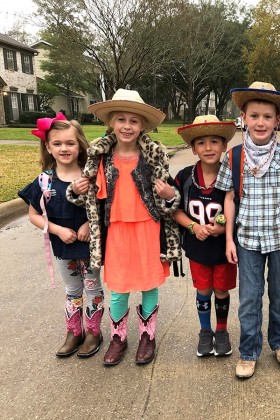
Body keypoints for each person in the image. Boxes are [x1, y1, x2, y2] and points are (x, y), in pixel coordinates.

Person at [68, 89, 181, 366]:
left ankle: (147, 335)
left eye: (133, 120)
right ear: (112, 124)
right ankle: (118, 336)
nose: (127, 126)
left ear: (142, 125)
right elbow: (89, 198)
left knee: (148, 282)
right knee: (118, 286)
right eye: (121, 119)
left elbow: (171, 194)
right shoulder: (100, 157)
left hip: (148, 228)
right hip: (116, 229)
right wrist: (76, 190)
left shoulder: (153, 156)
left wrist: (169, 196)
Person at [215, 81, 280, 379]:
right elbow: (228, 197)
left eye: (267, 116)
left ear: (278, 119)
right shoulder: (234, 156)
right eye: (254, 115)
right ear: (243, 117)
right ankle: (249, 351)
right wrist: (228, 238)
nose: (261, 122)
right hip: (247, 239)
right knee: (249, 298)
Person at [18, 113, 104, 358]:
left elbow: (103, 206)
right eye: (57, 144)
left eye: (70, 143)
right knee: (72, 289)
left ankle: (94, 332)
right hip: (63, 246)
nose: (64, 148)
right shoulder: (45, 180)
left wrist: (89, 223)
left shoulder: (91, 176)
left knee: (92, 286)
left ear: (80, 146)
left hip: (89, 247)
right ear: (48, 146)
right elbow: (34, 215)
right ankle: (74, 331)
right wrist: (56, 229)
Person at [157, 115, 237, 357]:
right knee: (203, 291)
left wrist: (224, 229)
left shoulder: (231, 175)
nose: (208, 147)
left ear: (225, 146)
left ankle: (221, 330)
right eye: (201, 143)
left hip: (224, 249)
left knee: (222, 290)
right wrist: (193, 227)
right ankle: (205, 331)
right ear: (193, 148)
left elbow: (241, 208)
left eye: (215, 141)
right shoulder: (185, 176)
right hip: (198, 249)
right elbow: (175, 210)